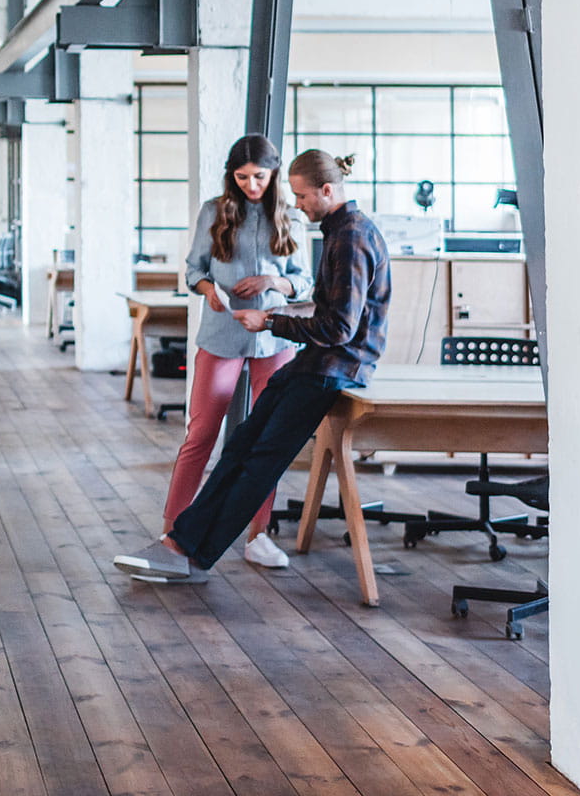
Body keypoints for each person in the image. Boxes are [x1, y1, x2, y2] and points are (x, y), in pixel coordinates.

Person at [115, 149, 388, 582]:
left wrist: (271, 321)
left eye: (303, 196)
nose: (298, 204)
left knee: (261, 457)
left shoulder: (352, 237)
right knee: (242, 444)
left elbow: (339, 327)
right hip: (316, 362)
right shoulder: (340, 231)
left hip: (336, 368)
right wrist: (276, 314)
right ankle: (179, 544)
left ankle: (190, 553)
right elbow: (328, 311)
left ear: (327, 190)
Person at [164, 134, 310, 572]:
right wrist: (208, 289)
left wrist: (273, 282)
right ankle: (173, 531)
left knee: (266, 442)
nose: (251, 185)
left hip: (275, 337)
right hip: (222, 333)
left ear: (273, 174)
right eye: (242, 177)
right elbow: (193, 269)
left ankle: (258, 535)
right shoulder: (214, 211)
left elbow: (304, 282)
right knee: (201, 434)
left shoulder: (292, 217)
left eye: (259, 177)